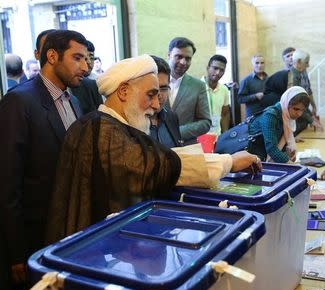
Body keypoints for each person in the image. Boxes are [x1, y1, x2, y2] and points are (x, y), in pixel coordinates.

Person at [45, 54, 262, 244]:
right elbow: (156, 166)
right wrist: (229, 162)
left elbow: (156, 158)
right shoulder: (104, 131)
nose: (157, 105)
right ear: (123, 91)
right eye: (150, 95)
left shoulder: (108, 126)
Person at [0, 29, 88, 290]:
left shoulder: (74, 101)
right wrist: (16, 252)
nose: (85, 67)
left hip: (66, 235)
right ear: (52, 56)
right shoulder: (19, 101)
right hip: (32, 239)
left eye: (87, 59)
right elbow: (7, 183)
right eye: (77, 58)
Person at [262, 49, 323, 138]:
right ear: (298, 62)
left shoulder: (303, 71)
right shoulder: (292, 76)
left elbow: (308, 91)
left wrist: (313, 108)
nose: (308, 65)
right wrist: (311, 119)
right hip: (286, 114)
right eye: (306, 62)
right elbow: (296, 103)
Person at [248, 86, 310, 163]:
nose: (299, 114)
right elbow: (271, 149)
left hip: (261, 159)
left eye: (302, 110)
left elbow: (279, 142)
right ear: (287, 103)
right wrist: (290, 163)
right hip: (250, 160)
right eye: (296, 109)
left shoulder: (287, 118)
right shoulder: (271, 116)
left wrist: (288, 153)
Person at [167, 37, 211, 144]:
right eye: (179, 56)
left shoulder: (198, 86)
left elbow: (205, 122)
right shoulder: (154, 82)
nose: (183, 62)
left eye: (188, 58)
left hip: (186, 147)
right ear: (168, 55)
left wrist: (177, 132)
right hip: (156, 148)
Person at [149, 55, 183, 148]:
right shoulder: (129, 123)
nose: (159, 94)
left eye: (163, 88)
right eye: (153, 89)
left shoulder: (171, 117)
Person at [71, 40, 103, 115]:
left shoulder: (99, 80)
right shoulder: (71, 82)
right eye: (84, 58)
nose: (88, 62)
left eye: (91, 58)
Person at [202, 54, 230, 135]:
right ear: (208, 68)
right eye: (215, 68)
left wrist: (225, 135)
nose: (218, 73)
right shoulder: (197, 87)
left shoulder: (224, 89)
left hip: (217, 136)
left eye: (222, 70)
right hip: (200, 138)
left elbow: (225, 114)